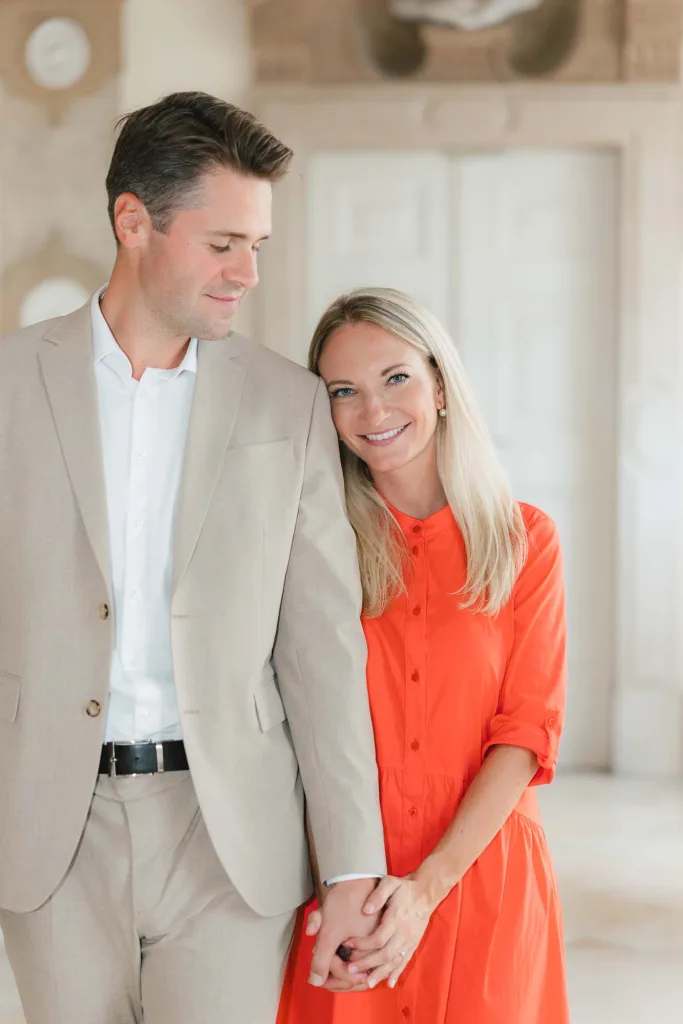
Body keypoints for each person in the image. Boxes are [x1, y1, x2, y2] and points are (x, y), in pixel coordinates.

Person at [0, 93, 387, 1024]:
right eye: (222, 245)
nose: (247, 273)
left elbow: (321, 649)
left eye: (256, 244)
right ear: (133, 221)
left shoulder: (285, 404)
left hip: (229, 839)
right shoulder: (10, 385)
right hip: (51, 829)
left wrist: (349, 864)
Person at [279, 287, 570, 1024]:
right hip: (346, 882)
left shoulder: (523, 542)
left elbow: (525, 733)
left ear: (440, 385)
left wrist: (426, 888)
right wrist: (350, 880)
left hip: (479, 874)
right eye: (344, 391)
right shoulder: (313, 548)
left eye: (395, 378)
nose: (372, 411)